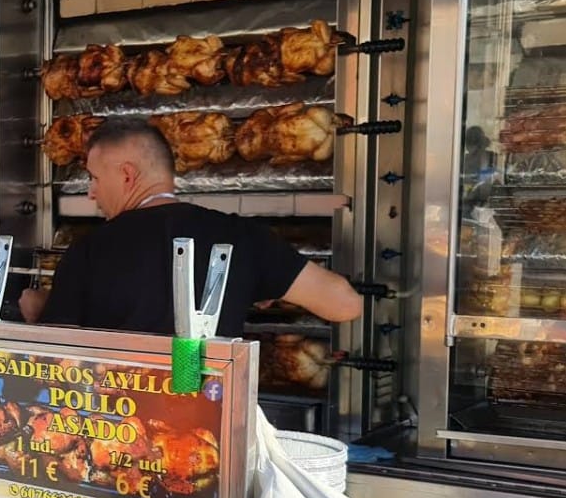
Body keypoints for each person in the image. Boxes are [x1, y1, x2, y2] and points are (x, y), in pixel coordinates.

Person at [19, 121, 361, 336]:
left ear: (127, 174)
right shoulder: (244, 238)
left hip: (121, 434)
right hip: (212, 433)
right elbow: (346, 305)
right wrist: (261, 279)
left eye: (94, 177)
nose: (91, 191)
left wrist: (38, 316)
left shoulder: (88, 251)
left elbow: (56, 366)